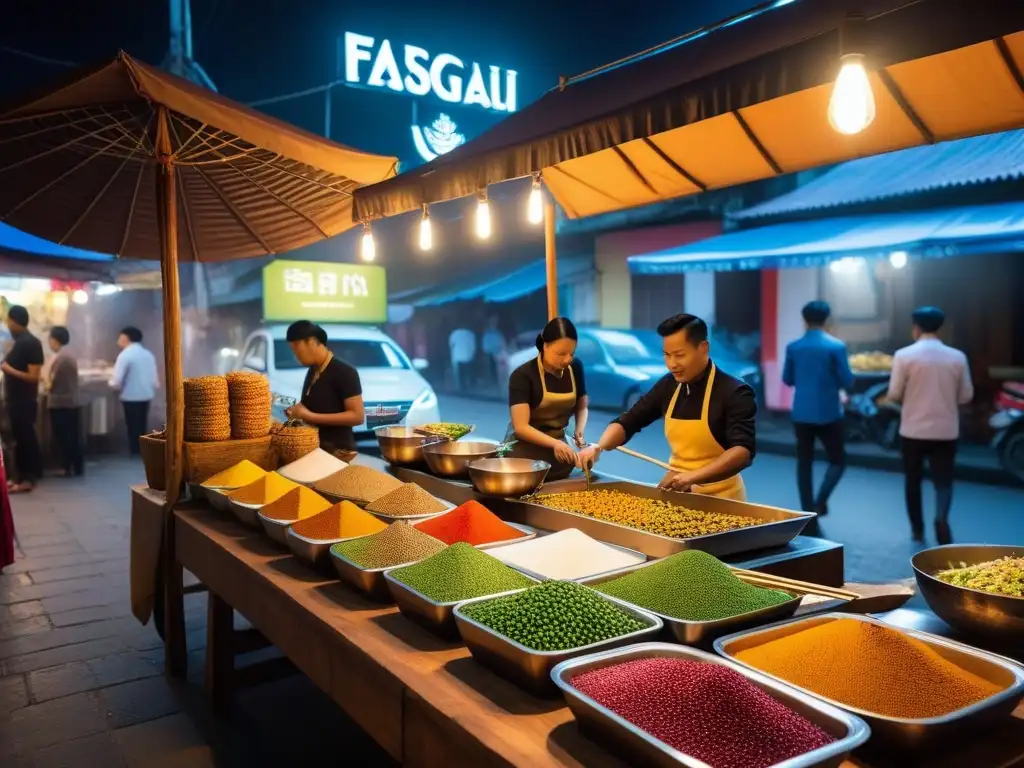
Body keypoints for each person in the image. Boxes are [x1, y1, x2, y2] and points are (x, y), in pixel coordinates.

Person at [580, 314, 756, 500]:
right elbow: (630, 420)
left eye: (680, 355)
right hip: (679, 491)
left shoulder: (735, 391)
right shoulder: (669, 385)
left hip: (723, 498)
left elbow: (742, 452)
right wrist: (598, 447)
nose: (672, 364)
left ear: (703, 348)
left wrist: (692, 477)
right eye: (667, 355)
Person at [887, 306, 973, 545]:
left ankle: (917, 529)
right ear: (940, 328)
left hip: (913, 430)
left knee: (912, 480)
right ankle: (941, 519)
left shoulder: (904, 356)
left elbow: (894, 393)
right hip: (946, 430)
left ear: (915, 328)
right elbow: (966, 395)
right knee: (943, 479)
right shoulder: (957, 357)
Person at [782, 301, 853, 520]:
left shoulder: (794, 347)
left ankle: (807, 509)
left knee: (804, 461)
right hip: (829, 412)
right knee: (838, 460)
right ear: (827, 320)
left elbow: (788, 379)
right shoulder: (836, 347)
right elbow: (847, 380)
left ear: (805, 320)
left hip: (801, 413)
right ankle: (821, 500)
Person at [505, 317, 589, 481]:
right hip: (523, 453)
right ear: (545, 346)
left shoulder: (575, 367)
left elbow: (581, 406)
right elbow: (521, 427)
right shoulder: (522, 376)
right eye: (561, 354)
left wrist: (579, 433)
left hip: (560, 450)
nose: (567, 360)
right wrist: (555, 444)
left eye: (571, 353)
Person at [283, 320, 365, 455]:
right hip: (316, 448)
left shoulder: (345, 372)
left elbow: (357, 416)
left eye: (296, 349)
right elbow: (313, 406)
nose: (295, 355)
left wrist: (310, 416)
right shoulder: (313, 370)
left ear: (312, 342)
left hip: (338, 451)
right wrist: (297, 412)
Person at [1, 305, 43, 493]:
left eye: (9, 321)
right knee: (20, 438)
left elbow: (34, 376)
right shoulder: (20, 342)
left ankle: (27, 478)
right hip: (16, 400)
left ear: (14, 320)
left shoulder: (31, 343)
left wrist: (7, 369)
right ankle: (22, 475)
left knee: (25, 438)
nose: (7, 325)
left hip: (24, 401)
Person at [110, 326, 159, 456]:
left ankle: (135, 450)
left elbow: (116, 380)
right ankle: (142, 449)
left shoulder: (125, 355)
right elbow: (154, 378)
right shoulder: (148, 354)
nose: (118, 341)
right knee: (142, 423)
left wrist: (110, 384)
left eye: (120, 337)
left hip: (130, 396)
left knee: (132, 425)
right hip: (146, 394)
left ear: (126, 338)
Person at [46, 326, 83, 477]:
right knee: (72, 435)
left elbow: (51, 383)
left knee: (64, 436)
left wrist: (44, 378)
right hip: (70, 401)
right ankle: (74, 466)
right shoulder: (68, 356)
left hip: (61, 402)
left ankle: (68, 466)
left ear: (54, 340)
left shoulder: (61, 359)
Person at [481, 316, 507, 385]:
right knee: (493, 368)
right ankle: (495, 381)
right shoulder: (489, 332)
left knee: (496, 368)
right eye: (493, 322)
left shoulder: (496, 332)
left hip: (496, 352)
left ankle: (497, 382)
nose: (494, 323)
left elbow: (502, 342)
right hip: (491, 352)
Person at [449, 326, 476, 391]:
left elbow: (451, 345)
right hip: (467, 356)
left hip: (457, 356)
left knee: (460, 373)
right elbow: (473, 346)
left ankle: (461, 386)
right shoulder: (470, 334)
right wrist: (472, 355)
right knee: (466, 372)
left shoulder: (455, 333)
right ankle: (467, 385)